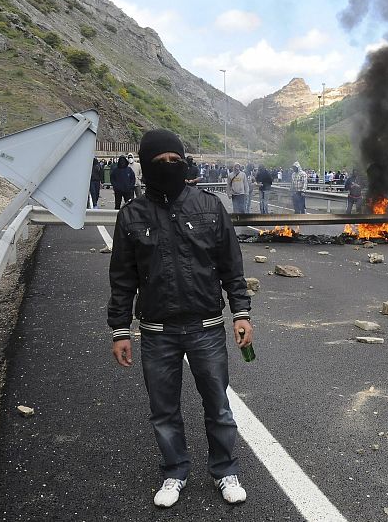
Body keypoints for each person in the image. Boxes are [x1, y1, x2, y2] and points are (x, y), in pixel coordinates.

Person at [108, 129, 252, 509]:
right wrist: (120, 330)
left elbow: (231, 266)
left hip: (206, 327)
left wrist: (241, 312)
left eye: (175, 159)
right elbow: (122, 278)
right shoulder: (132, 215)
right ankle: (174, 472)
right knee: (163, 409)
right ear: (144, 165)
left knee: (218, 406)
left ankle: (225, 470)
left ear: (185, 162)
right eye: (160, 162)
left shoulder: (209, 207)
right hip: (157, 332)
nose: (169, 167)